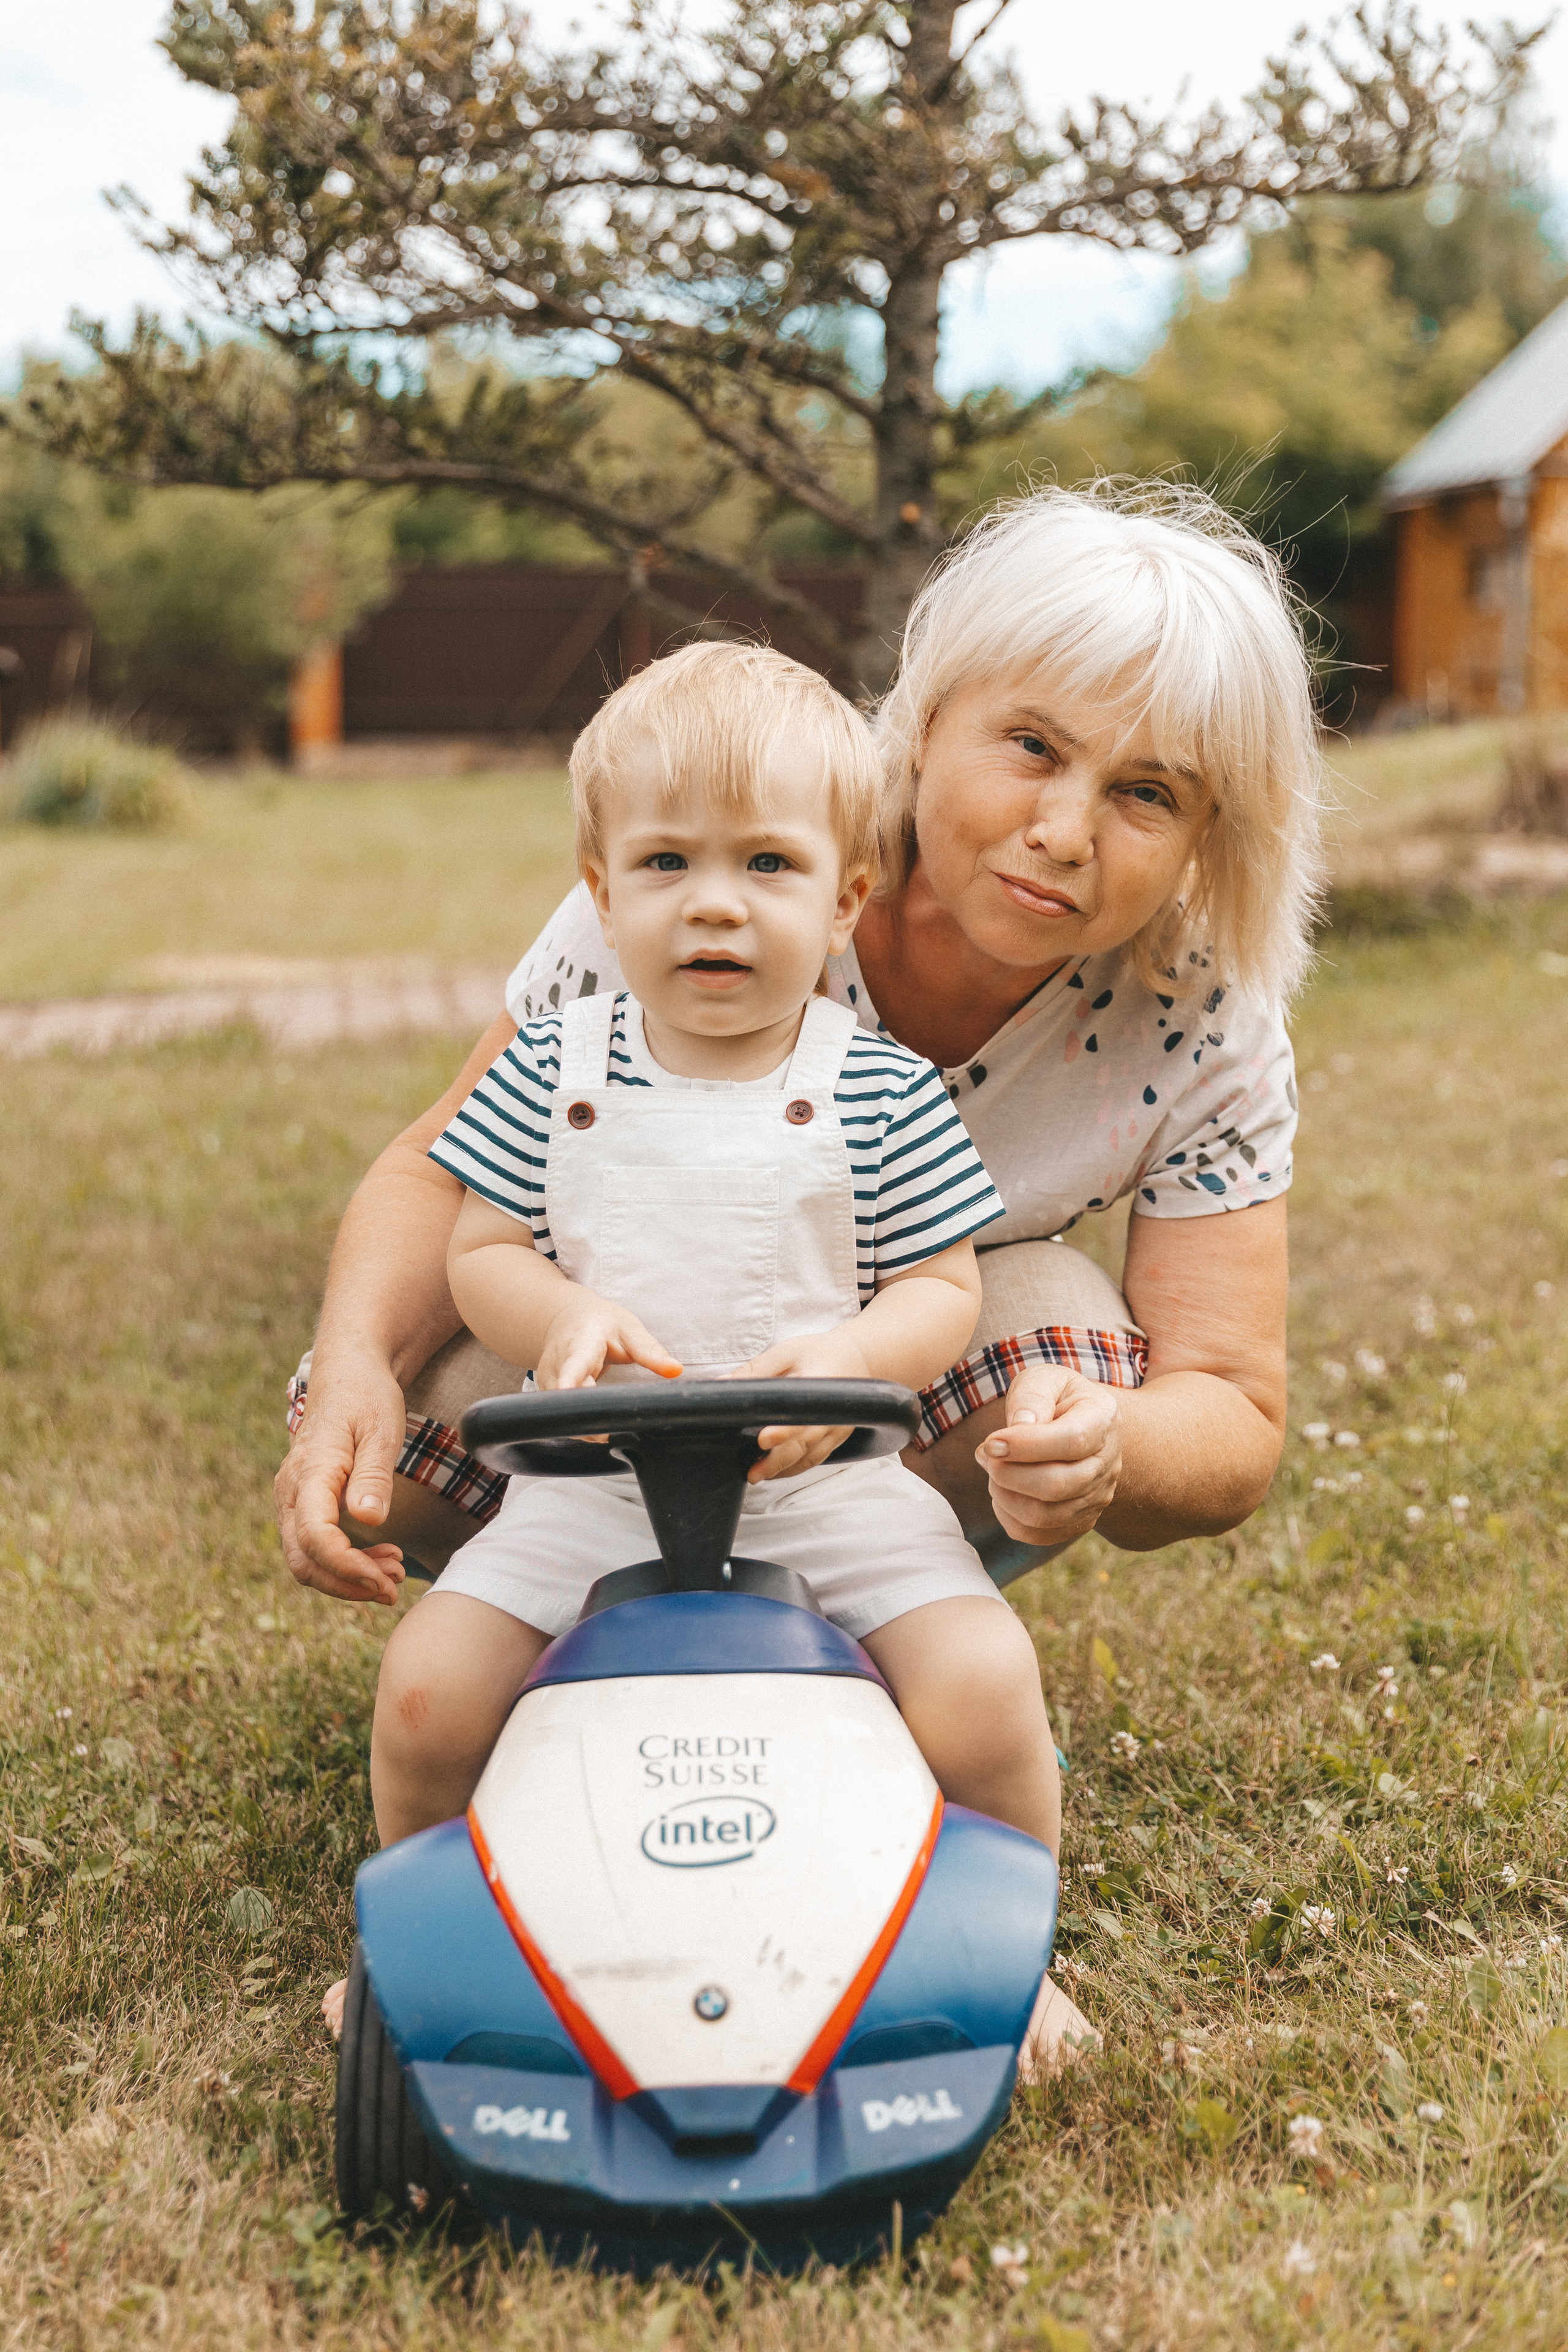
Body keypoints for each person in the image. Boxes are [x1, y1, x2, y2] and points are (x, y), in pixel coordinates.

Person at [288, 481, 1321, 2055]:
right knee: (391, 1487)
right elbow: (452, 1178)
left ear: (1207, 833)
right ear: (929, 717)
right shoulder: (714, 872)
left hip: (873, 1421)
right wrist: (357, 1368)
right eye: (1029, 746)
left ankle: (964, 1894)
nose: (1062, 829)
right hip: (601, 1398)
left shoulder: (1200, 1017)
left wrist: (1106, 1446)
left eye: (1145, 792)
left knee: (1058, 1374)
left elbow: (1229, 1404)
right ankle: (488, 1861)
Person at [374, 639, 1057, 1863]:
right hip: (588, 1491)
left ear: (844, 901)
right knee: (429, 1693)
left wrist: (853, 1354)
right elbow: (481, 1250)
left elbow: (941, 1286)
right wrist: (557, 1316)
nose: (715, 903)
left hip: (827, 1490)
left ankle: (1001, 1914)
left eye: (767, 863)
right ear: (601, 892)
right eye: (666, 862)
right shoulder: (550, 1068)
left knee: (983, 1684)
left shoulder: (882, 1088)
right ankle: (440, 1910)